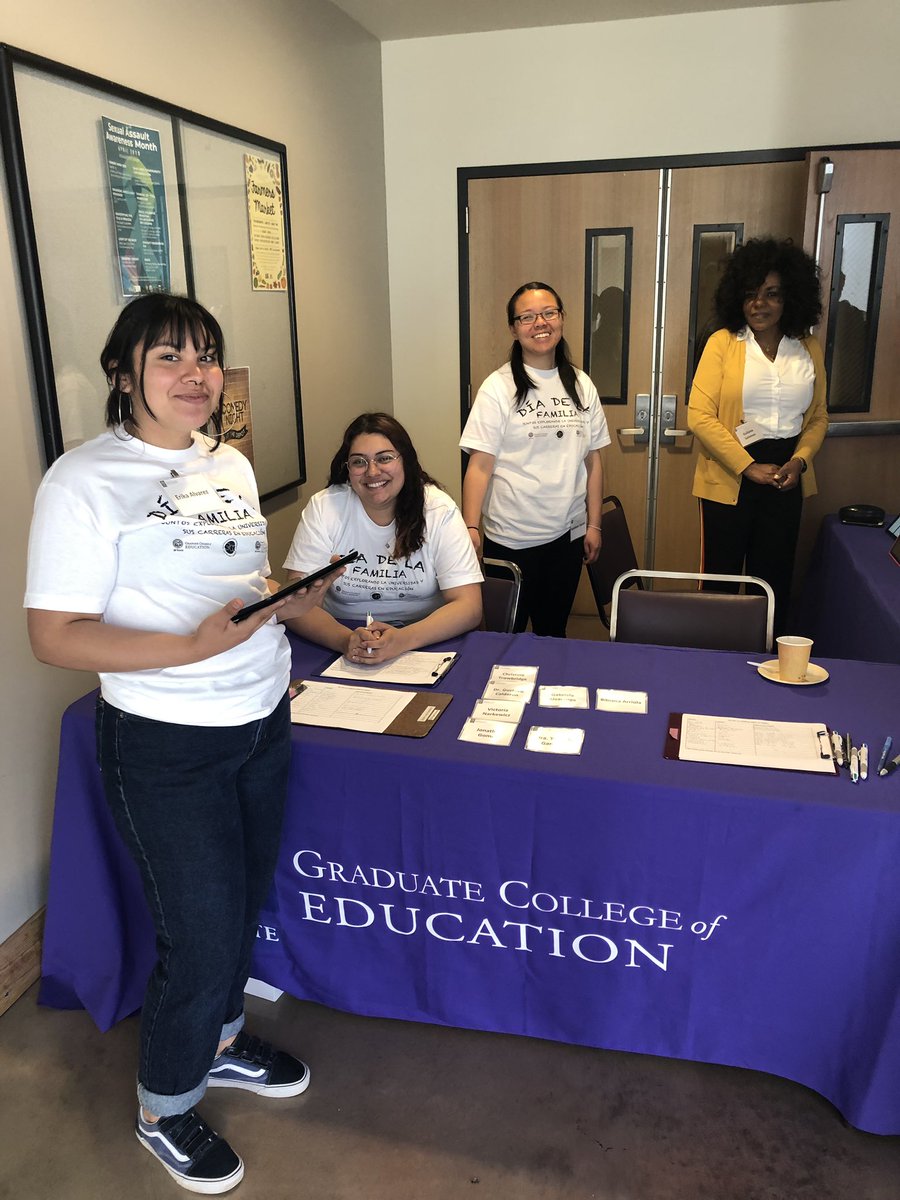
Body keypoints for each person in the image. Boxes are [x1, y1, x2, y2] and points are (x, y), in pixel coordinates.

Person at [25, 293, 335, 1195]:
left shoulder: (228, 462)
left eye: (207, 357)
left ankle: (224, 1040)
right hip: (166, 743)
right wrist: (187, 650)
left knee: (239, 907)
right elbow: (56, 634)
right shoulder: (81, 481)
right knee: (198, 935)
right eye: (170, 359)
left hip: (261, 717)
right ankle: (164, 1104)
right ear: (124, 373)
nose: (195, 376)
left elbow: (235, 579)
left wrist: (286, 598)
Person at [687, 238, 828, 633]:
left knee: (774, 581)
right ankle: (715, 665)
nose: (758, 304)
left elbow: (818, 417)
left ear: (790, 298)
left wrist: (799, 461)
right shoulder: (722, 343)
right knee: (722, 581)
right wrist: (748, 466)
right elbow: (699, 415)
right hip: (731, 476)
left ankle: (769, 668)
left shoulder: (808, 348)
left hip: (788, 475)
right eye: (750, 294)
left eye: (771, 294)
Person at [460, 281, 611, 637]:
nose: (539, 323)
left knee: (553, 632)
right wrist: (470, 527)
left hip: (567, 536)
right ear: (513, 328)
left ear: (561, 319)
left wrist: (594, 524)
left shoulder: (581, 383)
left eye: (548, 313)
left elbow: (593, 461)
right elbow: (479, 467)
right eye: (526, 317)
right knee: (503, 638)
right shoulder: (497, 388)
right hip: (511, 538)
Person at [283, 412, 483, 664]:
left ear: (405, 461)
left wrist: (402, 639)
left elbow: (469, 606)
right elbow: (296, 606)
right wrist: (346, 640)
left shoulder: (437, 509)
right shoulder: (325, 507)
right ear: (347, 468)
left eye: (384, 458)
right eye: (359, 462)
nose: (372, 472)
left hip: (424, 638)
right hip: (342, 638)